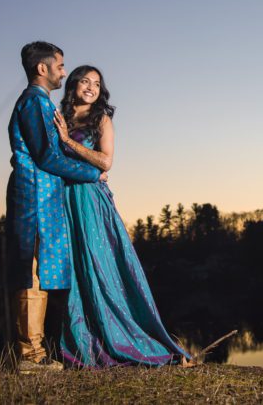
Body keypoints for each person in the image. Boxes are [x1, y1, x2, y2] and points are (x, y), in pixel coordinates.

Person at [51, 65, 191, 367]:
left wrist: (68, 142)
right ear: (73, 85)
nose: (91, 87)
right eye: (85, 81)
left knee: (101, 264)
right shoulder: (60, 116)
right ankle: (81, 340)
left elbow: (106, 161)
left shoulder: (101, 119)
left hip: (90, 201)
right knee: (73, 269)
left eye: (97, 84)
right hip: (64, 200)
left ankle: (123, 336)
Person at [6, 41, 107, 372]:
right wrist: (91, 172)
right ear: (42, 69)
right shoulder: (35, 103)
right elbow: (46, 155)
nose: (64, 71)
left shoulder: (43, 103)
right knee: (31, 270)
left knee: (39, 269)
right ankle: (29, 355)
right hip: (34, 196)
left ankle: (36, 352)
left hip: (45, 195)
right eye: (60, 66)